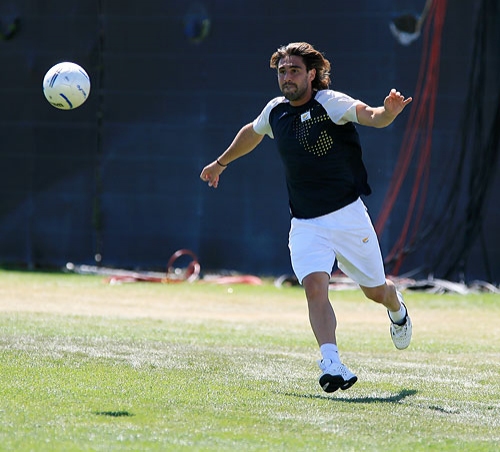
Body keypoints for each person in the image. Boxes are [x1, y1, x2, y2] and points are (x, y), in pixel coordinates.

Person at [200, 42, 413, 393]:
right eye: (282, 71)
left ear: (312, 74)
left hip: (348, 217)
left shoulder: (330, 103)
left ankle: (397, 309)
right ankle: (331, 362)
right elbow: (252, 132)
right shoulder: (275, 111)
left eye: (294, 71)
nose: (287, 77)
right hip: (306, 223)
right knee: (315, 286)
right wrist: (220, 163)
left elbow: (372, 116)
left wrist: (388, 112)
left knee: (376, 291)